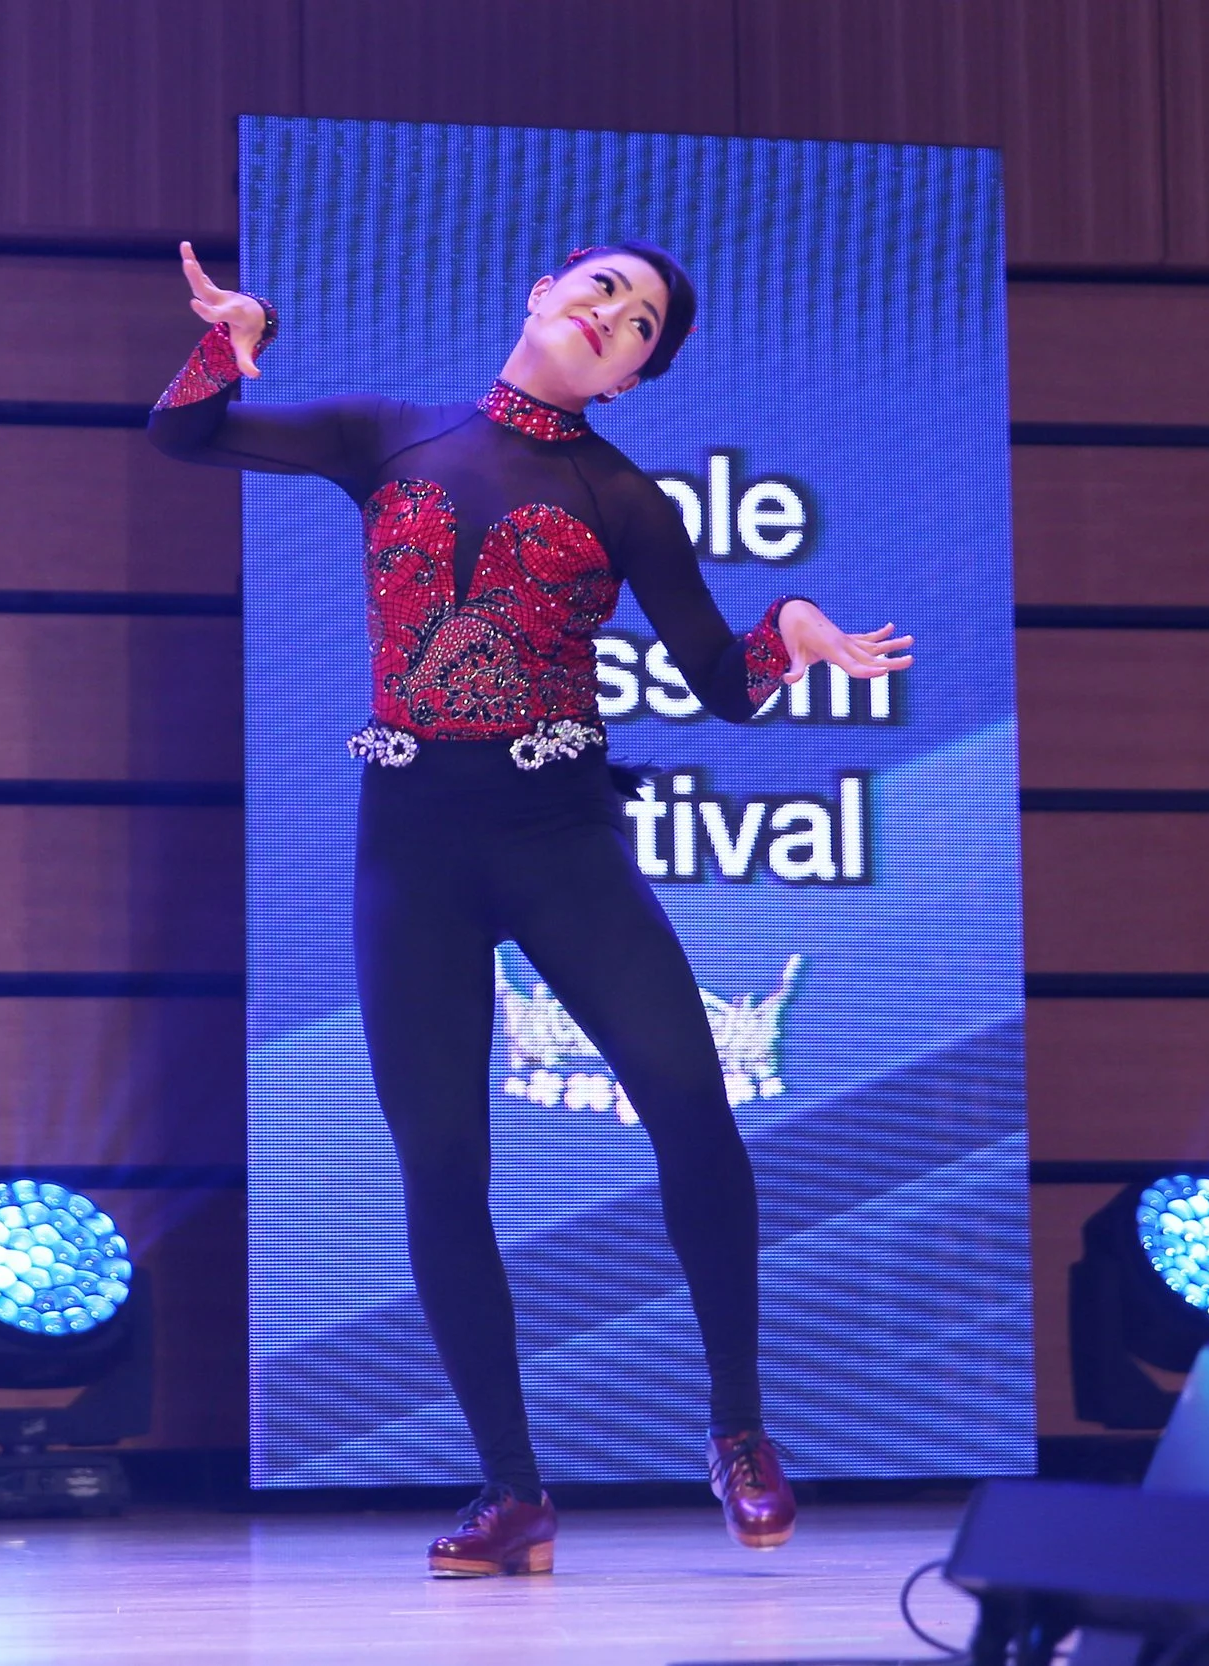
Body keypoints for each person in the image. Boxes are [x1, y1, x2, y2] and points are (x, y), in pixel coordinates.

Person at [147, 236, 911, 1577]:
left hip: (559, 835)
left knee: (693, 1109)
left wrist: (788, 625)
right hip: (415, 845)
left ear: (630, 378)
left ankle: (737, 1429)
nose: (616, 313)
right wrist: (236, 334)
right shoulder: (385, 434)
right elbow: (185, 438)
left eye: (644, 321)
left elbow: (722, 681)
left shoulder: (624, 498)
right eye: (603, 288)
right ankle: (512, 1491)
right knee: (442, 1168)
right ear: (540, 296)